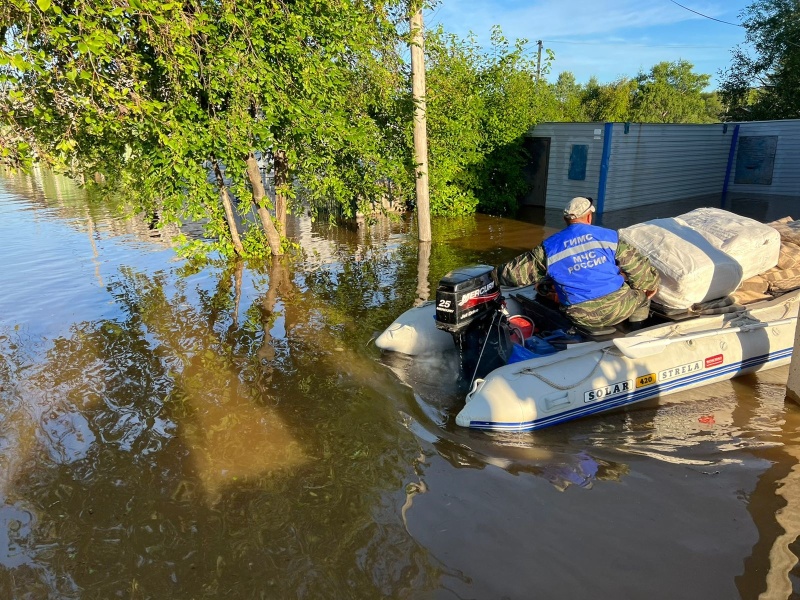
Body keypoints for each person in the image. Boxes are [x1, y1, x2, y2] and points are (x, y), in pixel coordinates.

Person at [498, 196, 659, 330]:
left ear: (565, 219)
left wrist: (494, 275)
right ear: (589, 217)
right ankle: (635, 333)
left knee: (549, 284)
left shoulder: (549, 247)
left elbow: (512, 276)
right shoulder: (609, 236)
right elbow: (642, 273)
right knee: (642, 299)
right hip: (618, 308)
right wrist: (649, 285)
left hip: (581, 316)